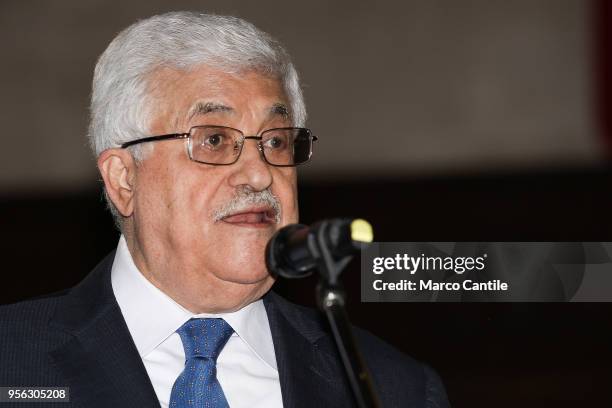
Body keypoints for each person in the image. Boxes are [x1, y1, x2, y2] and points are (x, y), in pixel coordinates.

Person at [0, 11, 450, 408]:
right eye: (213, 140)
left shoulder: (393, 388)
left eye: (274, 141)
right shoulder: (12, 361)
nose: (258, 175)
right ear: (123, 179)